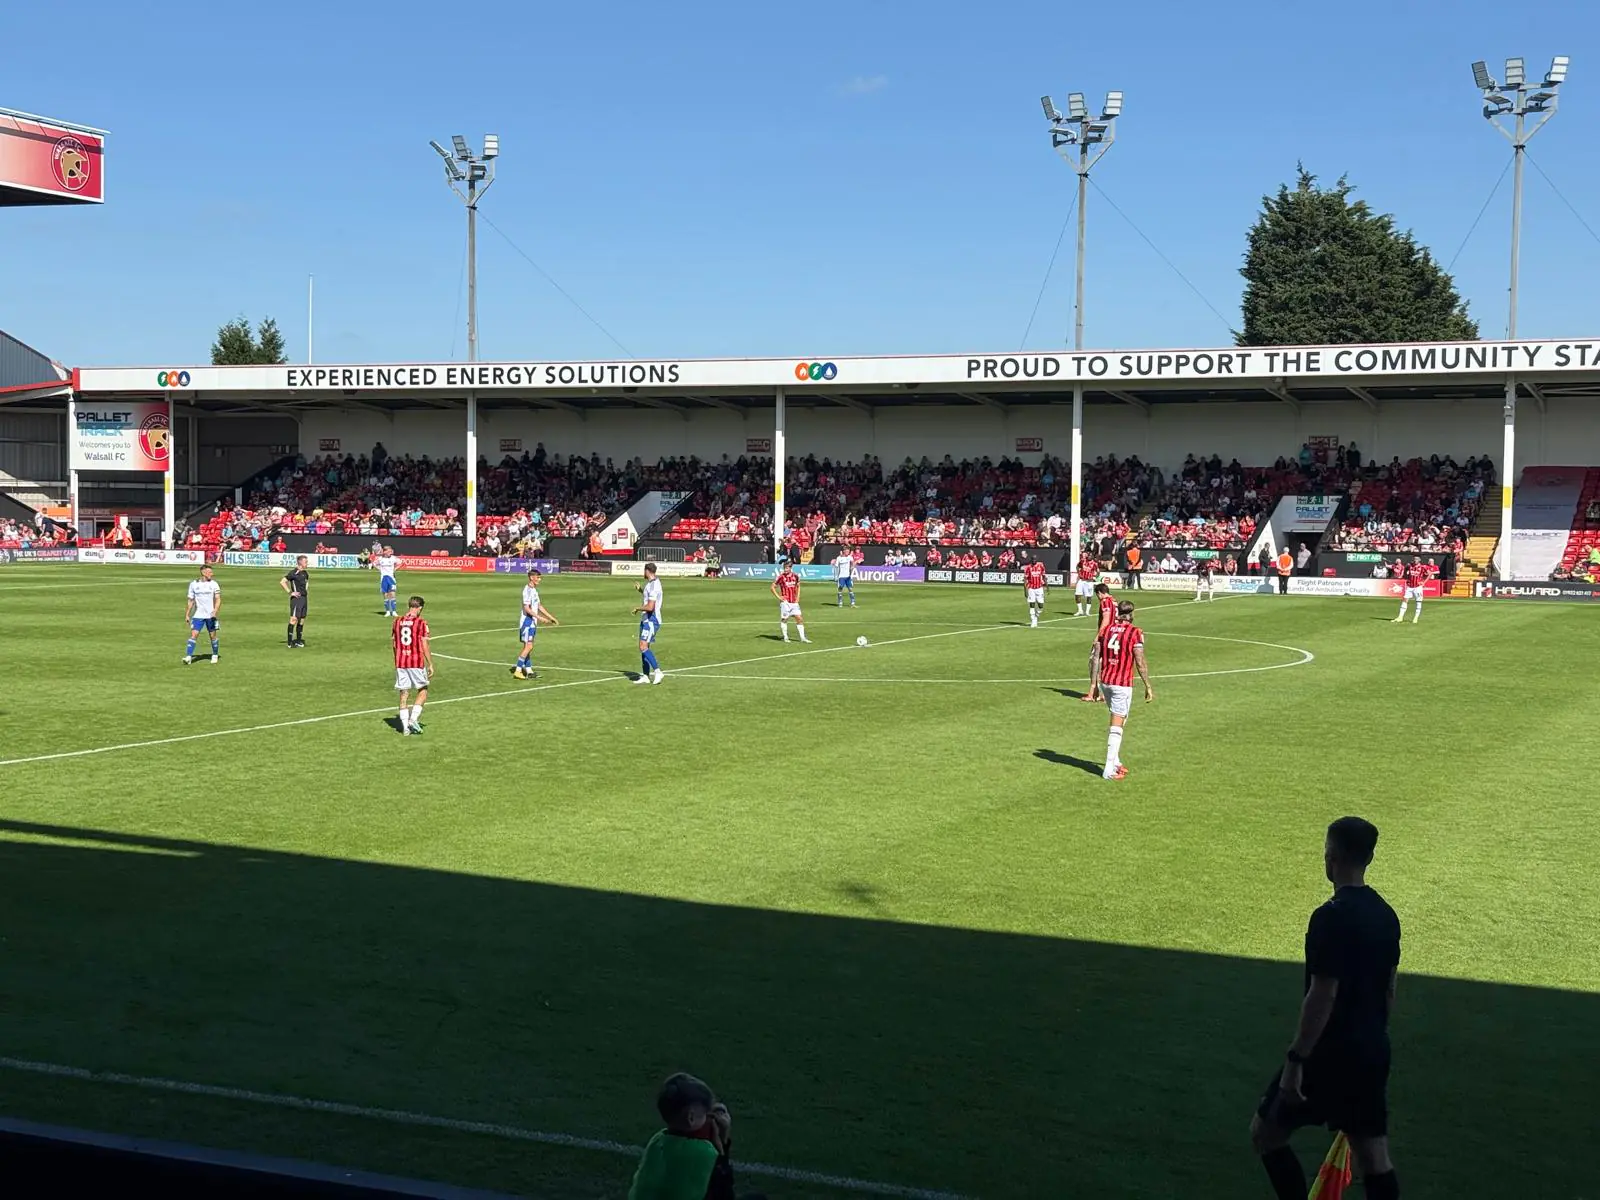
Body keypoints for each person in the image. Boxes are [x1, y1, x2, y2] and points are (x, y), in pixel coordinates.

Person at [1250, 816, 1403, 1200]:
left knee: (1266, 1134)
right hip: (1370, 1050)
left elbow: (1323, 994)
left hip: (1327, 1054)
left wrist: (1296, 1060)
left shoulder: (1329, 917)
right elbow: (1389, 990)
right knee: (1374, 1157)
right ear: (1369, 858)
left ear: (1331, 857)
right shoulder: (1387, 916)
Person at [628, 1073, 764, 1200]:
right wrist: (723, 1140)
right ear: (691, 1118)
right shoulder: (705, 1154)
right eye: (706, 1114)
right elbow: (725, 1195)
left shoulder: (656, 1141)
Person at [1096, 599, 1153, 779]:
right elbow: (1140, 661)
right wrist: (1147, 685)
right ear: (1132, 613)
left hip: (1106, 681)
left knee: (1121, 718)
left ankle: (1116, 761)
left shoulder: (1106, 630)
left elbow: (1096, 656)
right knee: (1117, 725)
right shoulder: (1135, 632)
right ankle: (1108, 770)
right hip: (1121, 684)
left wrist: (1094, 684)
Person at [393, 595, 432, 735]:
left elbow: (394, 644)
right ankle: (412, 720)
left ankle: (405, 728)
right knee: (423, 690)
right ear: (419, 608)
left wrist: (397, 660)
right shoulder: (421, 623)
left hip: (401, 662)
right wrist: (430, 663)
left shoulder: (397, 621)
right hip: (415, 661)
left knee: (404, 693)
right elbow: (424, 644)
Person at [514, 567, 559, 680]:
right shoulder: (527, 590)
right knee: (529, 646)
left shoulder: (534, 590)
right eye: (538, 577)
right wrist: (539, 618)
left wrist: (551, 617)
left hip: (532, 622)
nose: (539, 579)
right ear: (531, 577)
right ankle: (518, 670)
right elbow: (527, 608)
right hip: (527, 622)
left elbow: (539, 606)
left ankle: (529, 671)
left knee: (528, 647)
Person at [1083, 581, 1117, 704]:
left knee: (1094, 662)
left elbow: (1106, 619)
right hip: (1113, 635)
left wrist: (1098, 636)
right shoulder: (1114, 601)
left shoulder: (1105, 602)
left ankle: (1092, 693)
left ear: (1099, 593)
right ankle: (1101, 694)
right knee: (1103, 664)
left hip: (1105, 636)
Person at [633, 562, 665, 685]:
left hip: (652, 620)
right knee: (644, 646)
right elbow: (650, 598)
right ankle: (646, 676)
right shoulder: (652, 583)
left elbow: (650, 607)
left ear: (647, 571)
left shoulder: (654, 586)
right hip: (646, 619)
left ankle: (658, 672)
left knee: (643, 646)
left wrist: (638, 608)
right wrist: (641, 590)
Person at [183, 565, 222, 665]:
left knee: (213, 636)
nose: (212, 574)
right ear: (203, 573)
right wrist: (187, 614)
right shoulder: (193, 584)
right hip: (198, 615)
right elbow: (191, 601)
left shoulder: (214, 584)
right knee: (193, 635)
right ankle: (188, 657)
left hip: (211, 616)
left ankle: (215, 655)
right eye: (210, 572)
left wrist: (215, 611)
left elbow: (218, 599)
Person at [772, 559, 809, 643]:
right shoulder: (781, 577)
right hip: (785, 602)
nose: (785, 570)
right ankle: (785, 637)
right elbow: (772, 587)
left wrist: (798, 597)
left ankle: (803, 638)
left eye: (787, 568)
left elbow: (798, 586)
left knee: (799, 618)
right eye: (784, 568)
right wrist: (779, 597)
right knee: (785, 619)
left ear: (790, 568)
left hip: (794, 602)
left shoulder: (795, 576)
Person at [280, 555, 310, 648]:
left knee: (302, 620)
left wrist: (305, 591)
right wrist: (290, 592)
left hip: (304, 599)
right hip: (297, 599)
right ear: (300, 562)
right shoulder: (293, 573)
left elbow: (306, 582)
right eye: (305, 562)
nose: (307, 563)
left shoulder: (305, 573)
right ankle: (289, 643)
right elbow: (282, 581)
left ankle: (298, 641)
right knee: (294, 619)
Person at [1392, 556, 1429, 625]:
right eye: (1414, 559)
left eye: (1416, 559)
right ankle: (1400, 617)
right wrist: (1406, 577)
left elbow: (1429, 573)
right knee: (1405, 600)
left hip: (1418, 587)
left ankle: (1415, 618)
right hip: (1410, 587)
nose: (1415, 560)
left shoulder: (1423, 567)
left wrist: (1424, 582)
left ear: (1419, 560)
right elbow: (1404, 570)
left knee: (1418, 602)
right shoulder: (1409, 566)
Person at [1022, 556, 1048, 627]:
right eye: (1032, 559)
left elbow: (1044, 576)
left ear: (1037, 560)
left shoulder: (1041, 566)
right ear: (1031, 560)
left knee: (1041, 605)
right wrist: (1025, 590)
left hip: (1039, 588)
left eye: (1035, 559)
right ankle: (1033, 620)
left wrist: (1047, 587)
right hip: (1031, 588)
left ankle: (1036, 615)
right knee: (1032, 604)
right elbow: (1025, 579)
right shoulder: (1028, 567)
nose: (1034, 560)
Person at [376, 545, 399, 616]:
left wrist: (395, 569)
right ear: (384, 552)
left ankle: (394, 611)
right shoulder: (380, 559)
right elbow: (374, 564)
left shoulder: (393, 558)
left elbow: (401, 563)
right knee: (385, 595)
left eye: (391, 551)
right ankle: (388, 611)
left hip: (391, 579)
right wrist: (380, 569)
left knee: (392, 594)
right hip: (383, 579)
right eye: (389, 551)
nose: (390, 553)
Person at [1074, 550, 1098, 616]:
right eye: (1088, 555)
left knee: (1089, 596)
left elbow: (1098, 572)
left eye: (1090, 555)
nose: (1089, 556)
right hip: (1081, 580)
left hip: (1089, 582)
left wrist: (1094, 576)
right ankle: (1080, 610)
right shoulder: (1082, 561)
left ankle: (1087, 612)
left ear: (1092, 556)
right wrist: (1079, 573)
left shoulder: (1094, 564)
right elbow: (1077, 566)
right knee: (1077, 595)